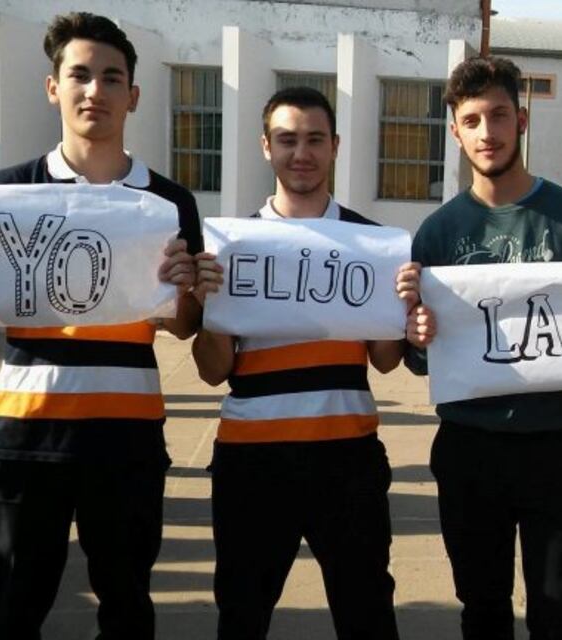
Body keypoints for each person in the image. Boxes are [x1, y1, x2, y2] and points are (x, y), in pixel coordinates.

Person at [397, 55, 562, 640]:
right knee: (482, 609)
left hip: (557, 445)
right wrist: (416, 335)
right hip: (469, 447)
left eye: (499, 115)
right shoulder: (437, 232)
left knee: (558, 614)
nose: (488, 132)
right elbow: (419, 359)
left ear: (522, 120)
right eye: (472, 120)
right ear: (456, 132)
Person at [0, 12, 201, 639]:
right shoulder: (9, 194)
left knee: (127, 605)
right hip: (26, 434)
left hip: (127, 436)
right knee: (12, 606)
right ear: (52, 87)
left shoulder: (170, 202)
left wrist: (185, 289)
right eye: (79, 75)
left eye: (112, 78)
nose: (95, 91)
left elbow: (184, 326)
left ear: (132, 95)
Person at [191, 87, 406, 640]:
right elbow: (213, 371)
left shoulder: (370, 243)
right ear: (266, 146)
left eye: (314, 139)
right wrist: (209, 308)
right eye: (287, 140)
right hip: (252, 461)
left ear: (335, 146)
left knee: (367, 615)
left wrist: (404, 308)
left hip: (347, 457)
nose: (301, 153)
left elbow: (385, 362)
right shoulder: (234, 245)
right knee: (242, 615)